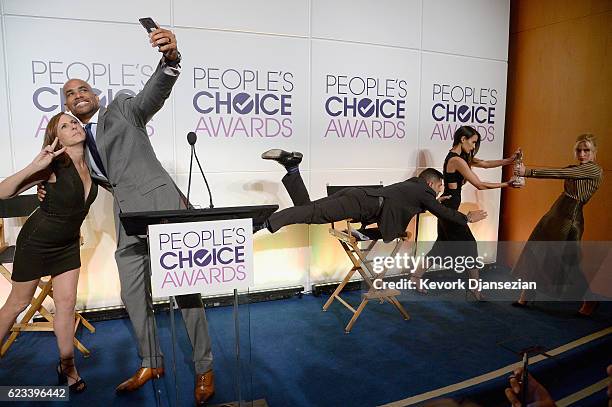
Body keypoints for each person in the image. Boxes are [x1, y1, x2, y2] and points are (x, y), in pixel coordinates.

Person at [38, 27, 214, 403]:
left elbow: (154, 94)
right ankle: (152, 360)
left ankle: (204, 367)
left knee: (184, 290)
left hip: (162, 208)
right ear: (67, 106)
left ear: (95, 95)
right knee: (132, 293)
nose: (78, 95)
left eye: (83, 88)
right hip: (126, 218)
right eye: (70, 93)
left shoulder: (121, 108)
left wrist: (170, 60)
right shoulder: (74, 141)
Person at [0, 112, 98, 393]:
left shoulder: (93, 165)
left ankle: (68, 367)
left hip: (67, 244)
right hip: (37, 241)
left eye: (75, 123)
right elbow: (4, 192)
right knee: (17, 305)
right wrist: (34, 166)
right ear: (56, 138)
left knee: (66, 306)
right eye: (64, 126)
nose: (73, 127)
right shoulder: (52, 166)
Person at [258, 149, 488, 241]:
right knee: (312, 213)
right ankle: (265, 223)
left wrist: (433, 201)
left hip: (359, 197)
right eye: (439, 187)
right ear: (431, 182)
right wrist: (466, 218)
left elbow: (414, 204)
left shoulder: (414, 186)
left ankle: (292, 168)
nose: (438, 191)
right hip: (362, 204)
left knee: (309, 211)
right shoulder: (424, 191)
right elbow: (440, 212)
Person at [407, 126, 521, 299]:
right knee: (470, 245)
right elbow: (479, 184)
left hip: (448, 208)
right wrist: (507, 184)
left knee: (440, 247)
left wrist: (511, 160)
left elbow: (485, 164)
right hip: (449, 211)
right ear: (462, 139)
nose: (474, 147)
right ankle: (475, 289)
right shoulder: (456, 160)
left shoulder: (461, 157)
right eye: (473, 142)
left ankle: (415, 277)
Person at [511, 134, 603, 316]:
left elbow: (561, 173)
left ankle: (590, 300)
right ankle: (527, 293)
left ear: (594, 152)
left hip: (570, 220)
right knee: (536, 250)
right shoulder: (575, 168)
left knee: (568, 262)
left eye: (587, 150)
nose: (582, 154)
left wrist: (528, 172)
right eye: (579, 150)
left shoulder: (594, 170)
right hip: (555, 213)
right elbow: (566, 171)